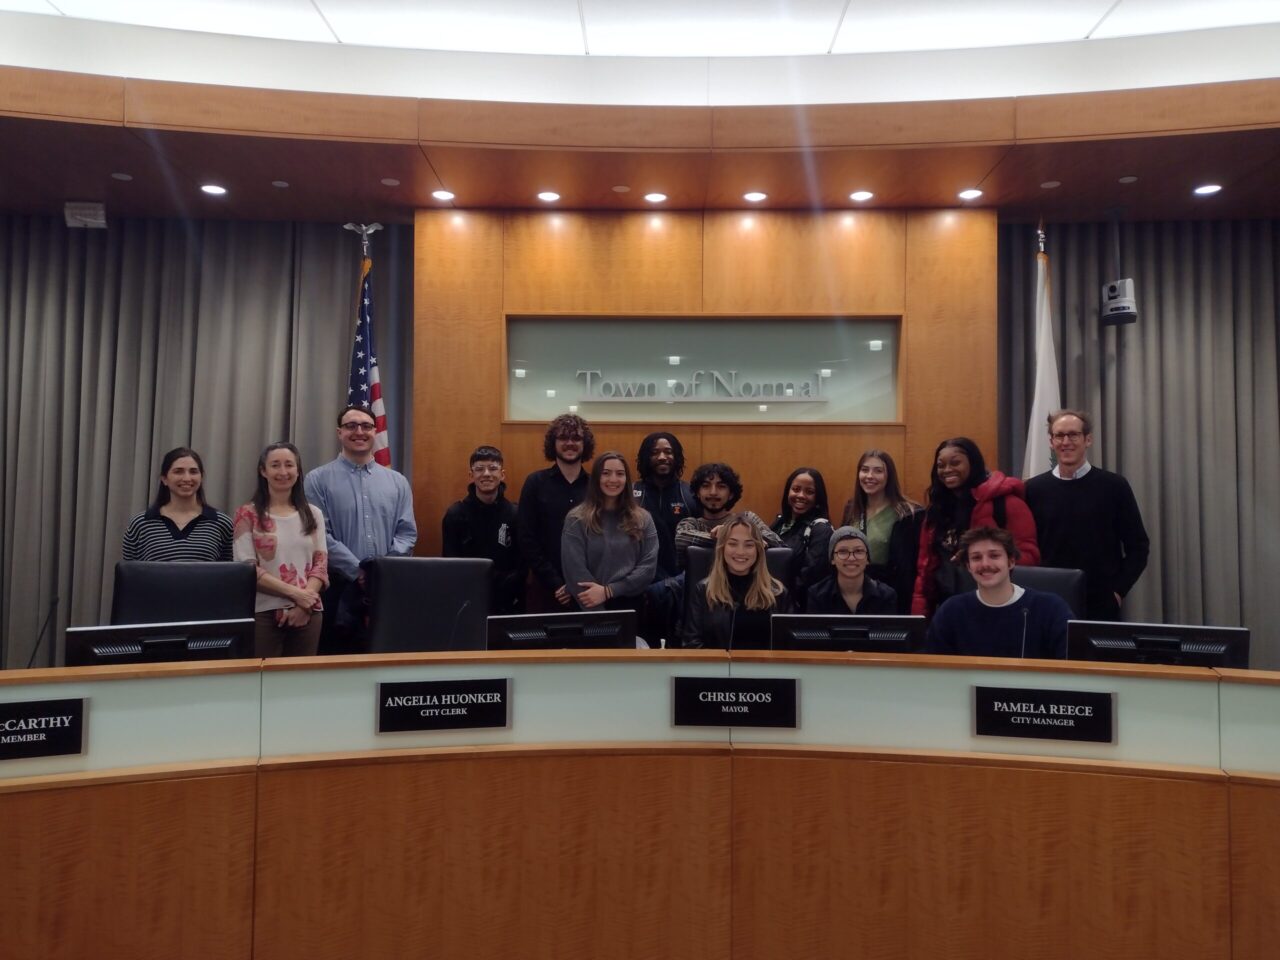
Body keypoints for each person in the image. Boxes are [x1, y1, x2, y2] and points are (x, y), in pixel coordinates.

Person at [304, 405, 417, 653]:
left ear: (375, 431)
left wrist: (381, 572)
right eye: (351, 426)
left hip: (387, 590)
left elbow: (406, 533)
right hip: (338, 589)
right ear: (339, 432)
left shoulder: (397, 482)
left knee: (387, 665)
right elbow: (320, 536)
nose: (359, 431)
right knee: (338, 670)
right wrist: (360, 572)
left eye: (366, 426)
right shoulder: (316, 480)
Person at [1025, 409, 1150, 620]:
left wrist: (1118, 591)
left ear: (1088, 439)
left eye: (1073, 434)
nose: (1066, 441)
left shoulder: (1114, 486)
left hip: (1100, 603)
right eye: (1059, 435)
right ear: (1051, 441)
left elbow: (1138, 546)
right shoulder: (1033, 489)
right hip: (1046, 600)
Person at [911, 437, 1039, 617]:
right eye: (941, 465)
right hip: (945, 608)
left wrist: (982, 559)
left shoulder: (1005, 503)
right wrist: (920, 615)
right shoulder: (936, 510)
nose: (947, 470)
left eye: (955, 463)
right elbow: (924, 569)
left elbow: (1029, 557)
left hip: (994, 606)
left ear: (973, 463)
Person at [233, 442, 328, 657]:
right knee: (263, 682)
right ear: (263, 471)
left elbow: (320, 566)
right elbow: (247, 570)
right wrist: (297, 595)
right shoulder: (246, 515)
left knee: (300, 682)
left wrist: (304, 604)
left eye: (289, 465)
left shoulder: (313, 514)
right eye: (275, 465)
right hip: (263, 613)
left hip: (309, 613)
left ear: (298, 471)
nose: (283, 472)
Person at [927, 527, 1068, 659]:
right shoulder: (951, 611)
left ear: (1011, 561)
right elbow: (933, 668)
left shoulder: (1050, 608)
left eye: (994, 556)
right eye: (976, 558)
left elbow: (1073, 664)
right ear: (968, 567)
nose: (985, 564)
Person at [560, 451, 658, 613]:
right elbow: (574, 570)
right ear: (596, 478)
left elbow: (648, 568)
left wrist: (609, 591)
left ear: (626, 480)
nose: (613, 480)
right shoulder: (576, 519)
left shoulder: (643, 519)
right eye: (606, 473)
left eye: (620, 474)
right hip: (588, 607)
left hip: (631, 607)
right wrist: (600, 615)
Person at [517, 413, 593, 612]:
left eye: (576, 438)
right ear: (553, 443)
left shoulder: (596, 487)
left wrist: (580, 583)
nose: (570, 443)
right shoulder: (535, 483)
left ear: (585, 444)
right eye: (563, 438)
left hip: (589, 590)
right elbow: (526, 538)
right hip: (544, 589)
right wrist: (556, 583)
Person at [681, 513, 788, 650]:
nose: (740, 552)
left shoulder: (778, 593)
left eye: (749, 545)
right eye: (732, 544)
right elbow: (692, 644)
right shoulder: (703, 590)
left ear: (758, 551)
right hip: (717, 669)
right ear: (722, 548)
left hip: (764, 670)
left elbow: (787, 647)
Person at [441, 445, 525, 614]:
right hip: (466, 600)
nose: (486, 474)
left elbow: (522, 564)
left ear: (502, 475)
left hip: (508, 602)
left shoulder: (516, 514)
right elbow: (450, 564)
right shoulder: (455, 514)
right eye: (479, 469)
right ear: (471, 476)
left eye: (493, 468)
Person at [839, 449, 922, 614]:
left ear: (889, 476)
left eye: (878, 471)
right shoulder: (852, 508)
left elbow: (909, 569)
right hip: (854, 591)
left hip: (891, 596)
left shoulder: (908, 513)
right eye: (864, 470)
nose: (869, 476)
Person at [121, 446, 234, 562]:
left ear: (201, 477)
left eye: (193, 472)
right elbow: (131, 575)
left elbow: (230, 575)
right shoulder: (140, 524)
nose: (187, 478)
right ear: (164, 479)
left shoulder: (222, 523)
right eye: (178, 471)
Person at [674, 461, 781, 570]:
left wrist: (733, 532)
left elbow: (778, 544)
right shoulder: (690, 523)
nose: (713, 492)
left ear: (731, 494)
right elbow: (682, 539)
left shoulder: (748, 518)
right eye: (706, 486)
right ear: (697, 493)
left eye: (721, 486)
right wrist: (733, 537)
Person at [633, 432, 699, 580]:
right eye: (654, 452)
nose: (662, 457)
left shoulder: (691, 494)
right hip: (640, 580)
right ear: (646, 457)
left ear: (676, 457)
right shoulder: (631, 494)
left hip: (681, 581)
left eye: (668, 452)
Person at [770, 466, 833, 607]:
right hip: (773, 601)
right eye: (796, 489)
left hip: (799, 606)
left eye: (809, 492)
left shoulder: (821, 529)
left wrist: (781, 594)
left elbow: (812, 577)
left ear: (818, 498)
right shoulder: (779, 523)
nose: (801, 496)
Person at [804, 526, 898, 615]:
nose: (851, 558)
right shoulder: (817, 595)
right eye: (843, 552)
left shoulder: (886, 595)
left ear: (868, 559)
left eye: (858, 551)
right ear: (832, 559)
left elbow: (887, 632)